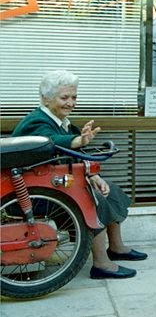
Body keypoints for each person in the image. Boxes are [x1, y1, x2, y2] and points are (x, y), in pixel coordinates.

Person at [12, 70, 147, 280]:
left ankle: (116, 247)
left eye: (74, 97)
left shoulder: (62, 122)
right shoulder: (36, 122)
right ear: (46, 99)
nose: (71, 103)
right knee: (92, 199)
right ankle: (101, 263)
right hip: (31, 194)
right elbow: (51, 142)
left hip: (52, 184)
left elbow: (76, 155)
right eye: (64, 98)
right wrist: (78, 141)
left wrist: (94, 177)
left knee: (110, 190)